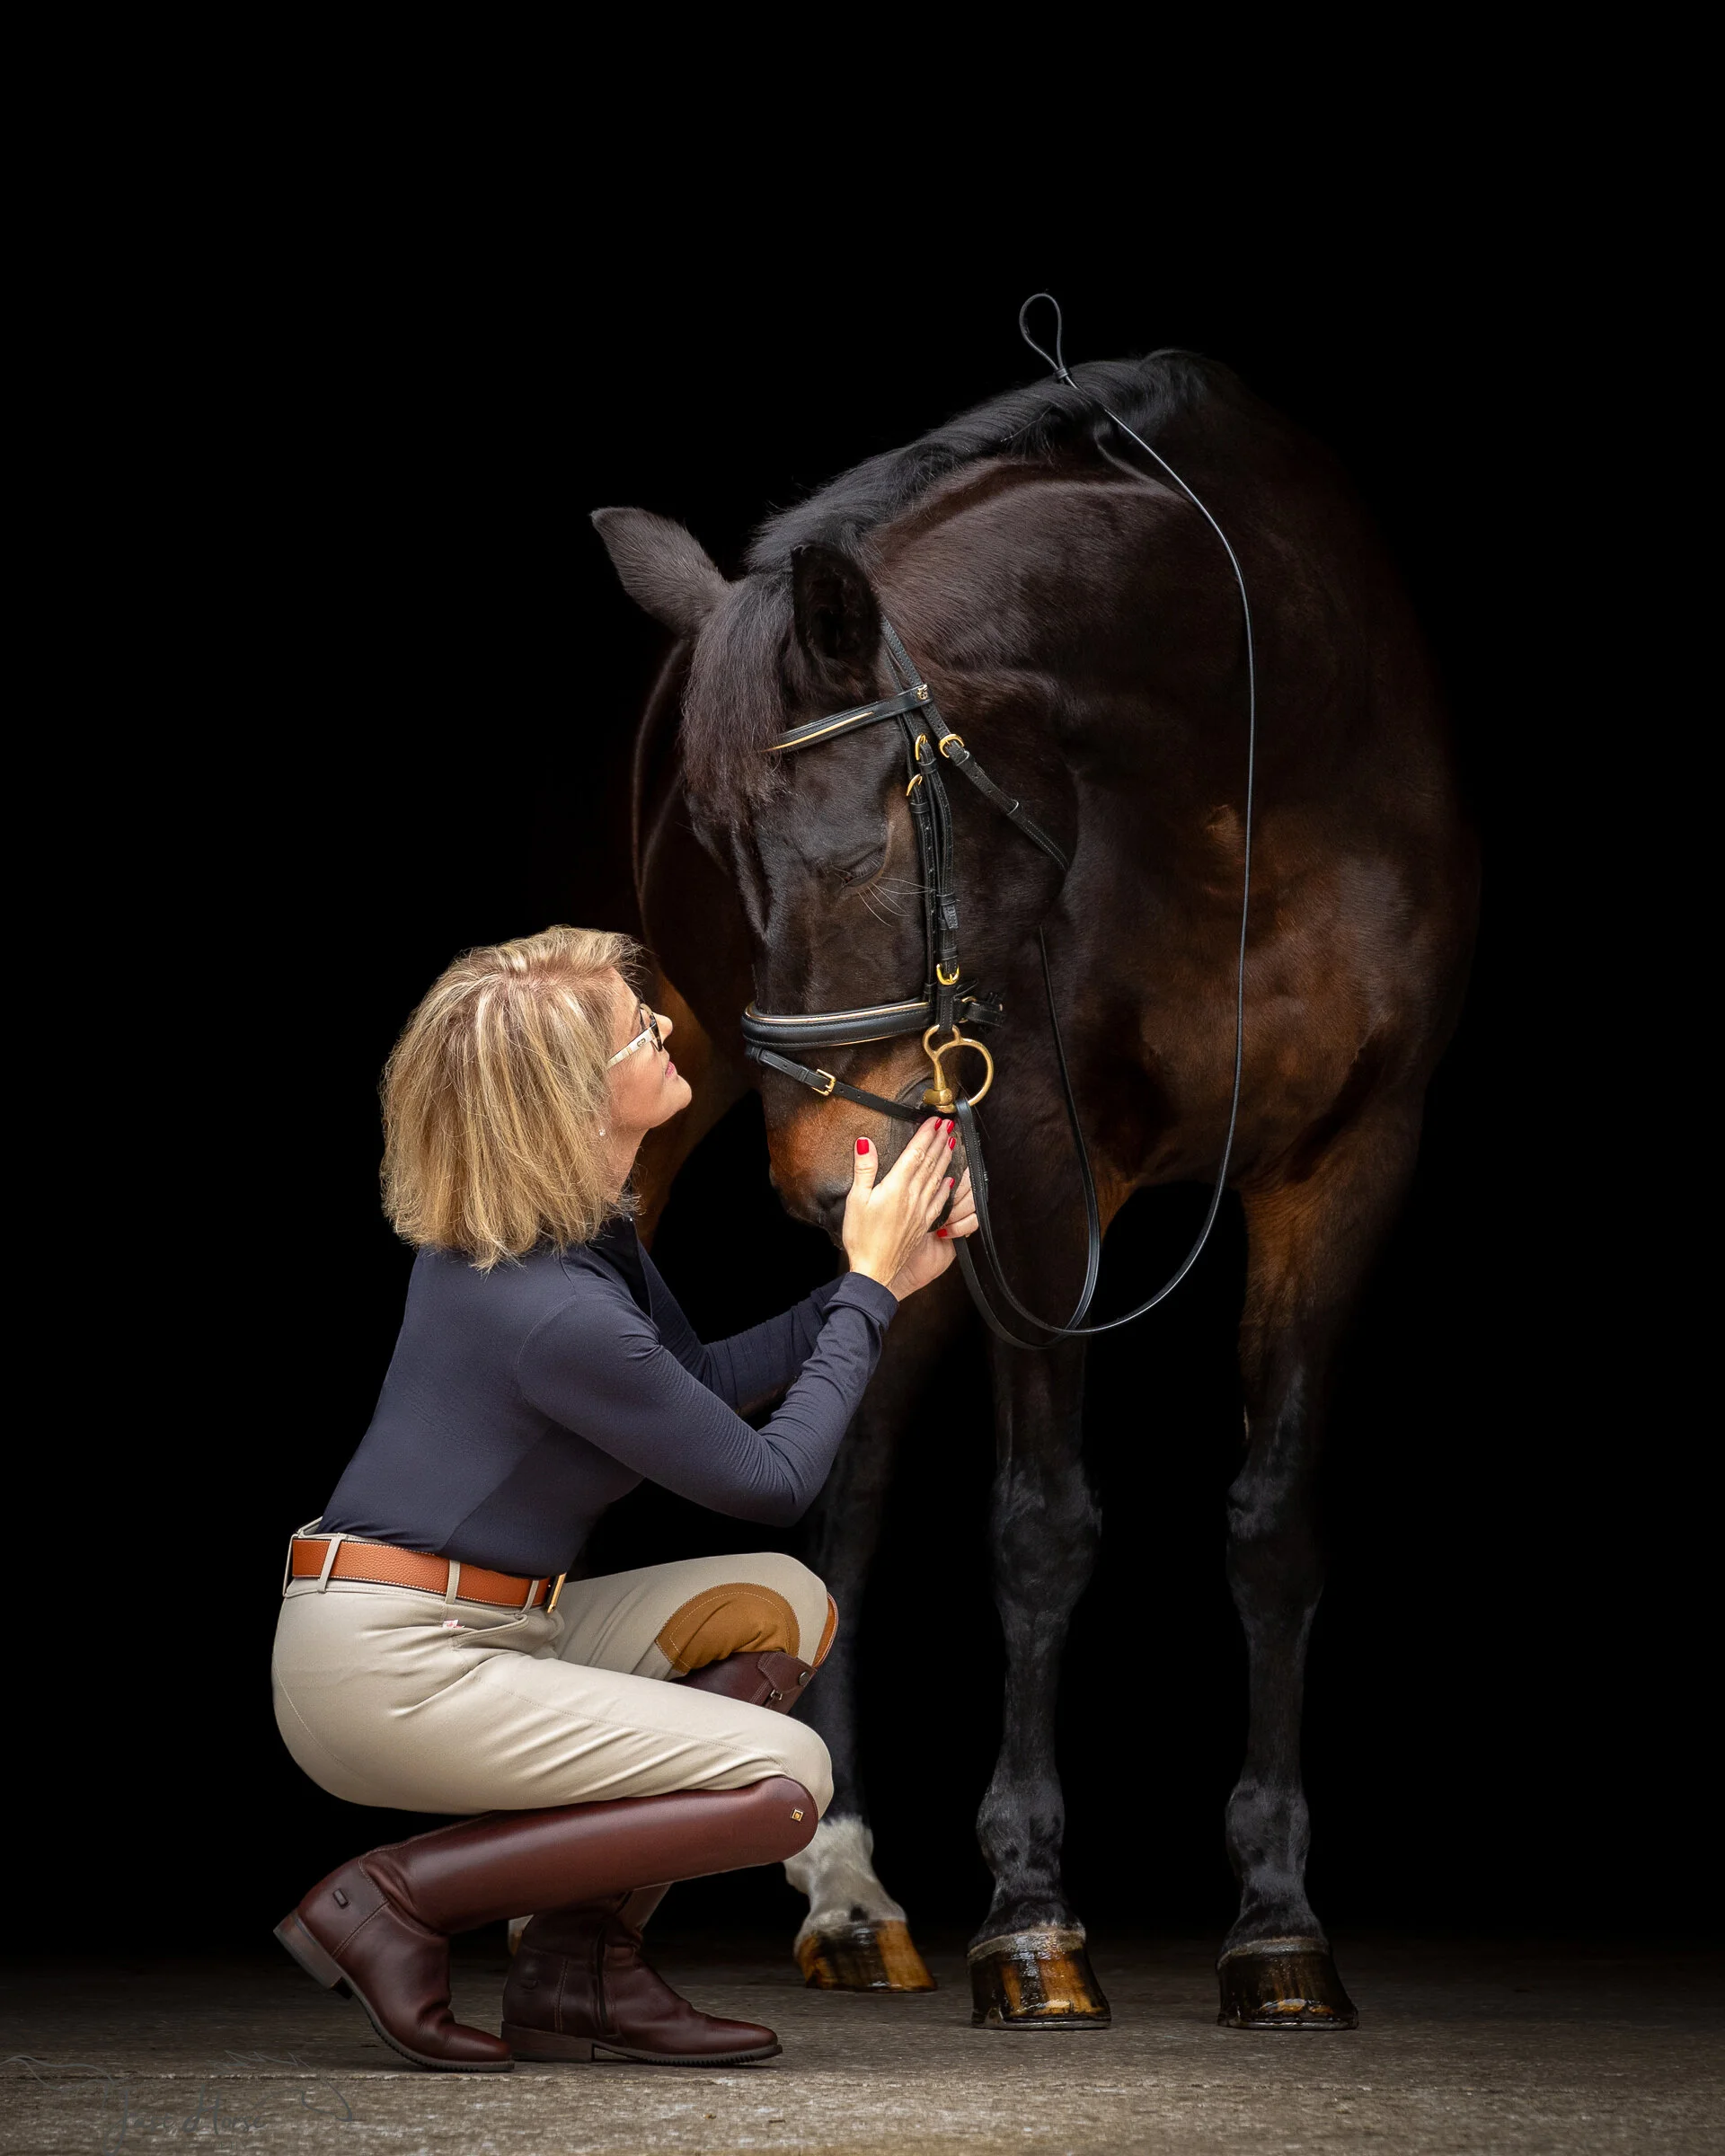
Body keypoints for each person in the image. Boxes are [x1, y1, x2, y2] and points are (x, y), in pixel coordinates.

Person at [271, 926, 975, 2072]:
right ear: (576, 1098)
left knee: (780, 1603)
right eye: (637, 1030)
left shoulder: (576, 1240)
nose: (663, 1026)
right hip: (391, 1670)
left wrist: (882, 1281)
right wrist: (864, 1287)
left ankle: (578, 1972)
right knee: (787, 1778)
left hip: (491, 1625)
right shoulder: (553, 1309)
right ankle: (391, 1900)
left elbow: (694, 1385)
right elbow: (770, 1480)